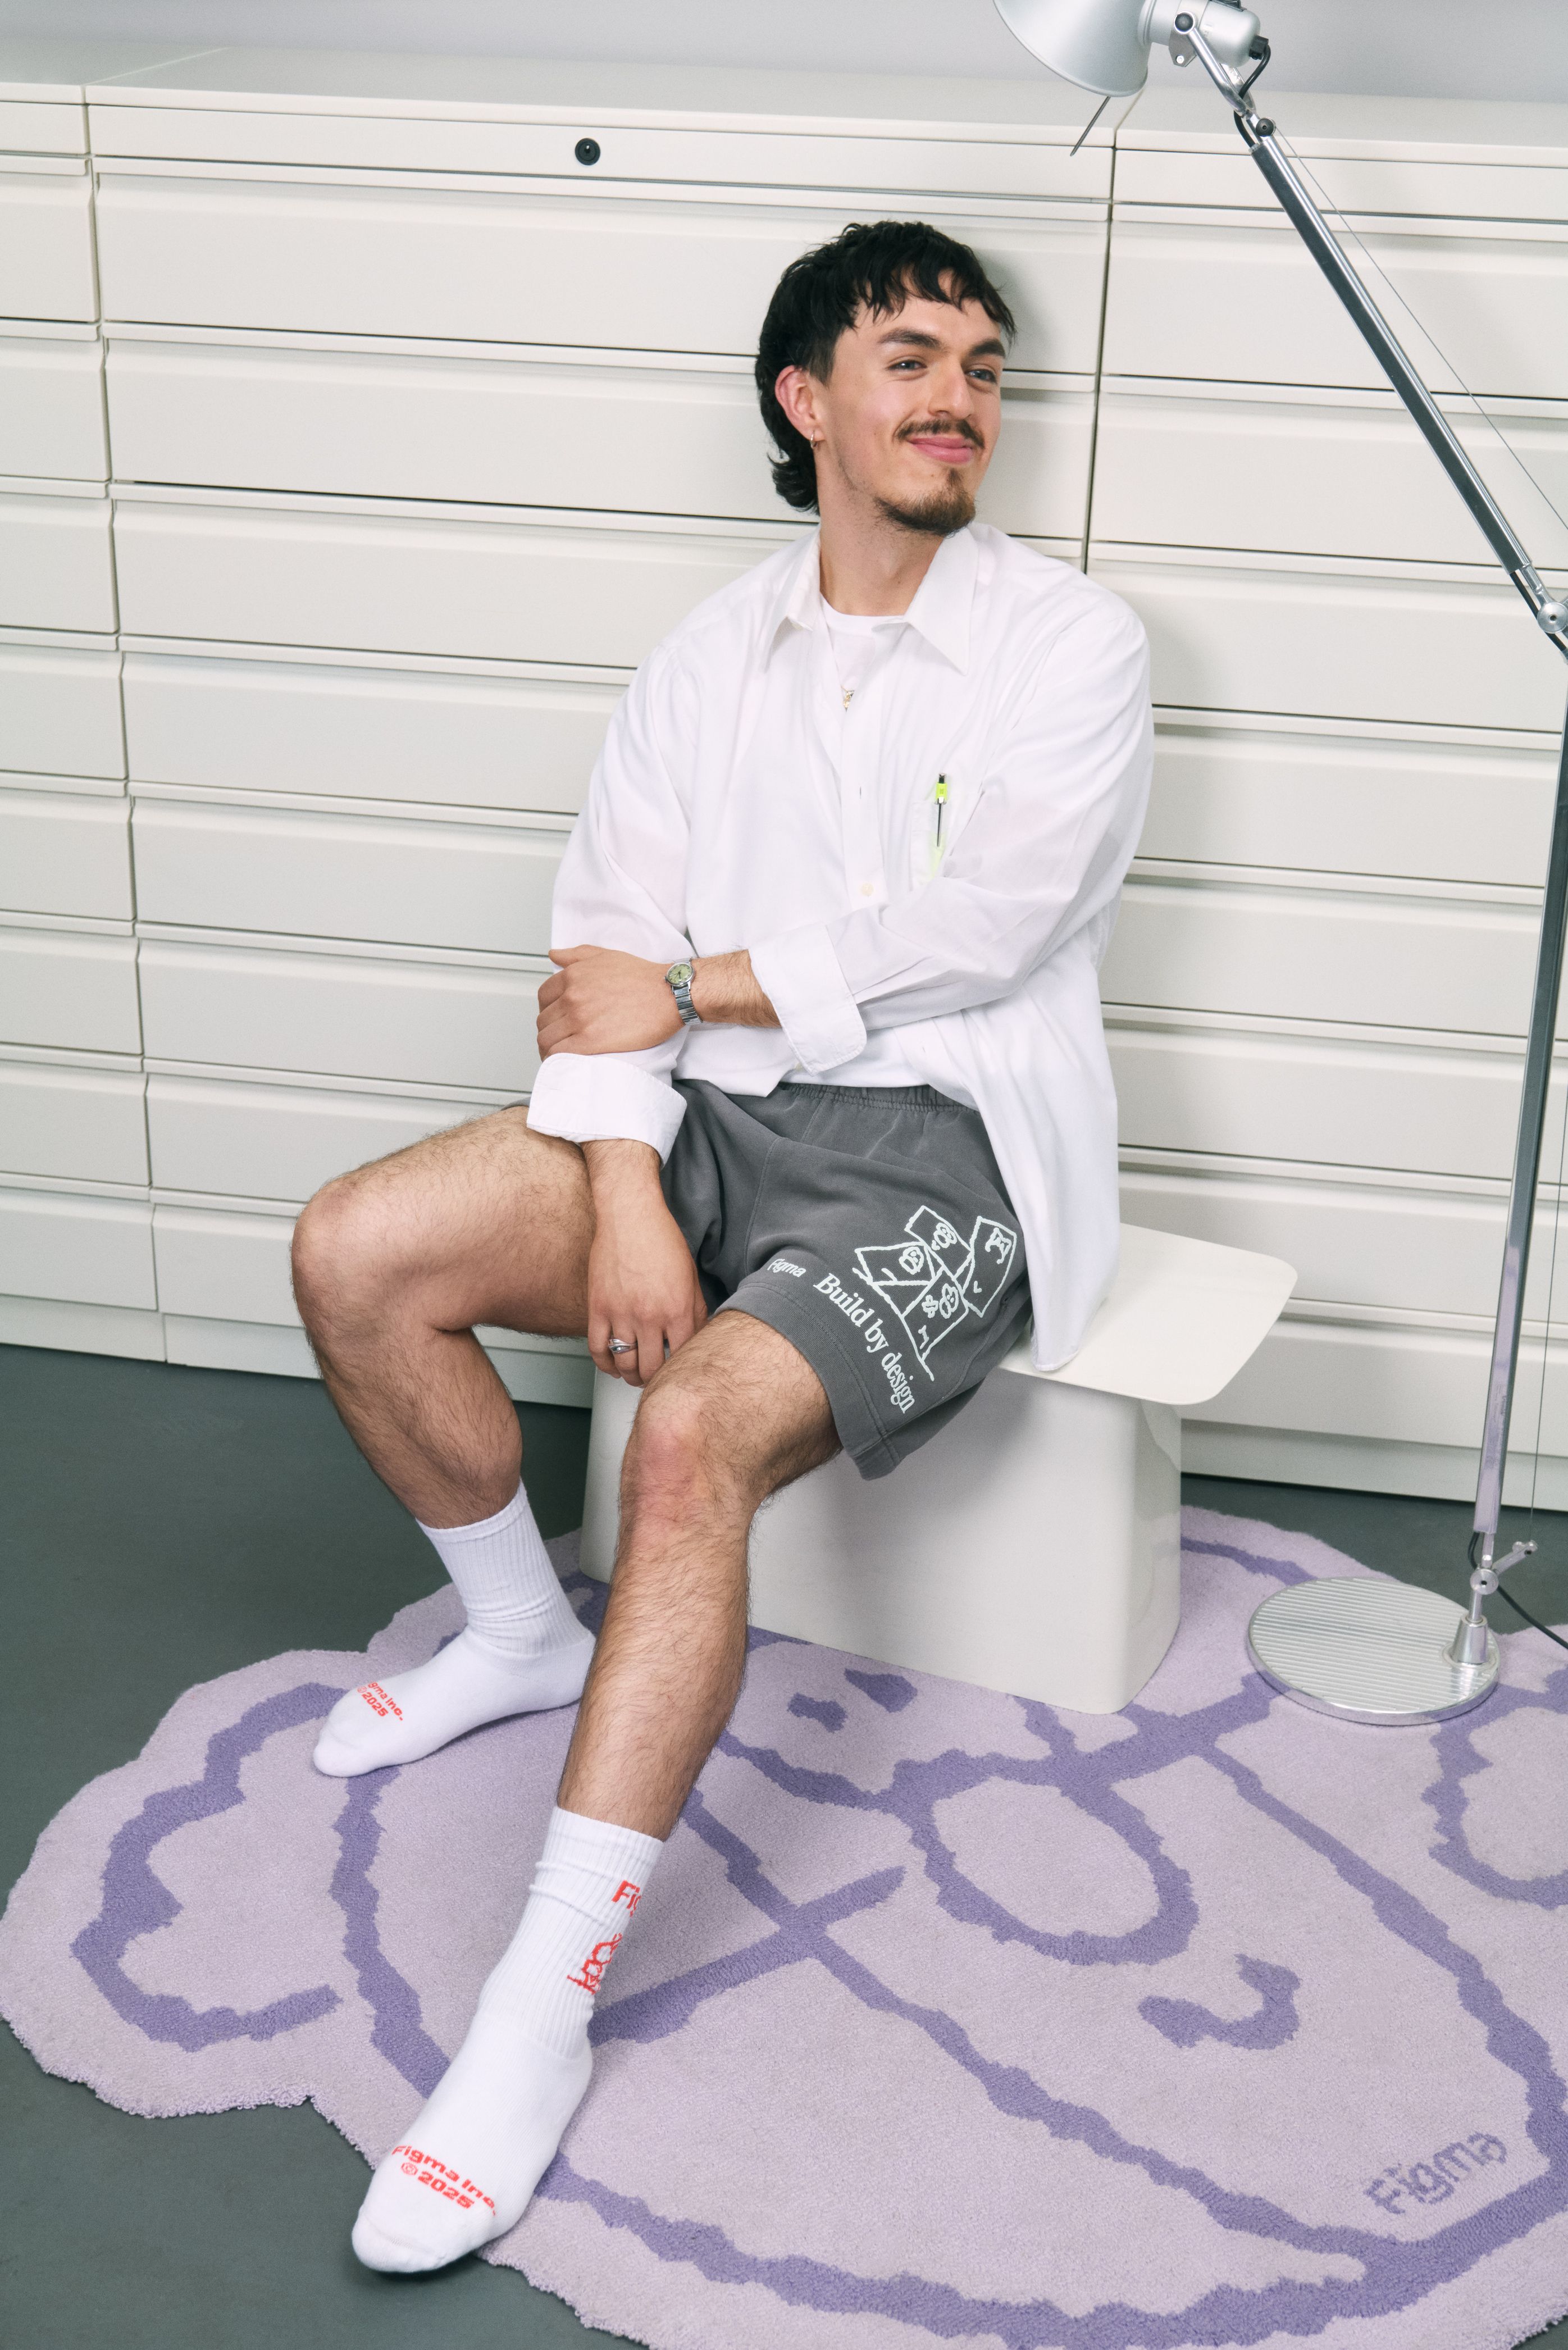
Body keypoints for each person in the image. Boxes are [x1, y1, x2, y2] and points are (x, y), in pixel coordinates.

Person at [289, 218, 1152, 2272]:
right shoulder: (704, 659)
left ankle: (537, 2011)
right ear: (805, 401)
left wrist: (686, 994)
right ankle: (515, 1629)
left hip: (949, 1158)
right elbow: (600, 961)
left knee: (681, 1455)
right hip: (700, 1127)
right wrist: (616, 1190)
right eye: (915, 361)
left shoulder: (1072, 643)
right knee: (354, 1251)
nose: (962, 401)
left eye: (985, 369)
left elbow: (984, 926)